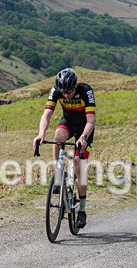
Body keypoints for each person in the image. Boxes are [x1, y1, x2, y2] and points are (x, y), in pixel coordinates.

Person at [33, 68, 96, 229]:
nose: (66, 95)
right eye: (63, 92)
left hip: (84, 128)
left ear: (75, 85)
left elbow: (91, 120)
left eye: (69, 91)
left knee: (78, 166)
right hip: (68, 121)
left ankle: (82, 210)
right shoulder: (56, 91)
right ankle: (59, 173)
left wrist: (83, 137)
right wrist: (40, 134)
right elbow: (46, 114)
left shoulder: (85, 91)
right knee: (58, 137)